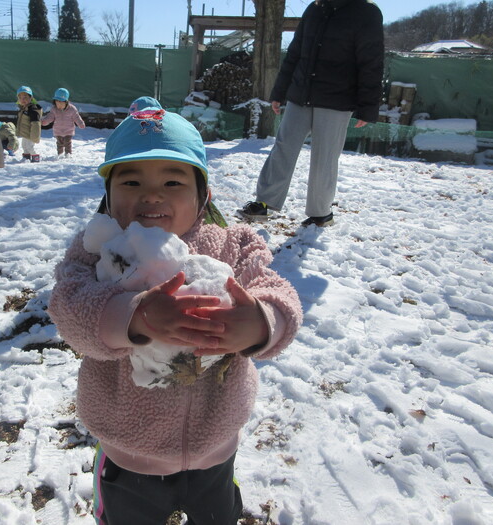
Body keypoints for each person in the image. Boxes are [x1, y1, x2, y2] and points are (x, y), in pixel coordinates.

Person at [48, 108, 303, 524]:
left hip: (215, 447)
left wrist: (261, 322)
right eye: (132, 182)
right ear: (108, 195)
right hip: (130, 455)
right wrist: (133, 317)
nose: (152, 195)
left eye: (172, 182)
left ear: (204, 194)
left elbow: (278, 291)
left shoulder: (232, 245)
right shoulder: (97, 251)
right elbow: (68, 306)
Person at [238, 0, 384, 226]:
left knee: (325, 157)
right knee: (283, 147)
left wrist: (368, 106)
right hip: (300, 93)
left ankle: (321, 213)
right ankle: (264, 202)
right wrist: (279, 92)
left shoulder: (366, 12)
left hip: (337, 98)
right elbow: (295, 52)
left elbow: (372, 61)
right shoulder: (315, 8)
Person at [41, 87, 85, 157]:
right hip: (58, 131)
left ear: (66, 102)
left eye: (61, 102)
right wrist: (45, 122)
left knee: (67, 143)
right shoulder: (54, 109)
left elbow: (76, 117)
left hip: (68, 130)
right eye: (57, 102)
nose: (59, 104)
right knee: (59, 144)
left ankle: (68, 154)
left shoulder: (72, 109)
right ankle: (60, 154)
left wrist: (80, 123)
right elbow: (50, 117)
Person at [15, 86, 43, 162]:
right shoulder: (24, 108)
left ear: (31, 98)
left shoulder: (32, 109)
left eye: (25, 97)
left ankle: (35, 157)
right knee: (24, 146)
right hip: (25, 133)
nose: (22, 100)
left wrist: (34, 136)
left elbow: (36, 124)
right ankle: (26, 158)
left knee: (30, 147)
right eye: (20, 98)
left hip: (31, 134)